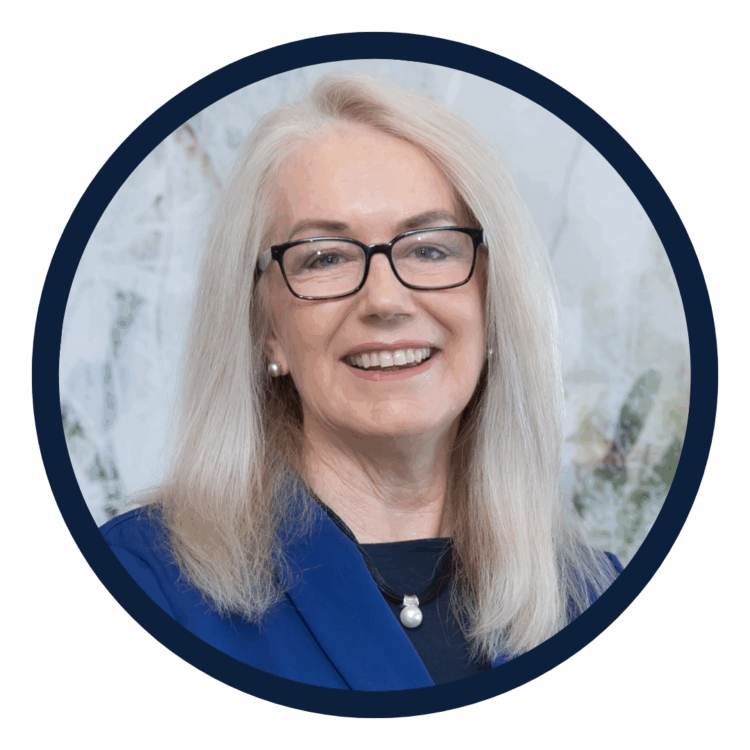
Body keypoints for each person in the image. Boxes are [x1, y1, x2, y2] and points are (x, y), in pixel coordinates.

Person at [101, 71, 621, 690]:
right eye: (325, 257)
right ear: (266, 327)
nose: (385, 300)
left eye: (429, 248)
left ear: (493, 297)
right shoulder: (137, 584)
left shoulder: (594, 597)